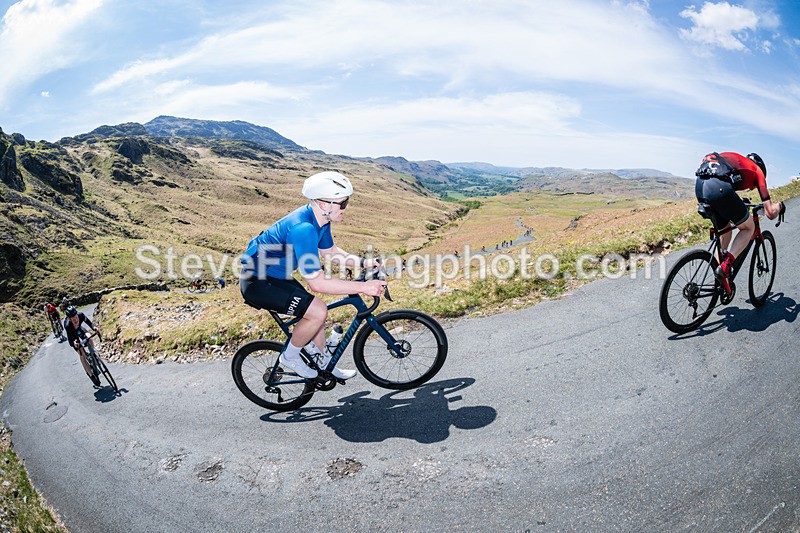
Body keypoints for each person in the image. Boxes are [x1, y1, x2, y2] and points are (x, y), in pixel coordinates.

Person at [240, 171, 385, 380]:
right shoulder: (304, 229)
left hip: (275, 276)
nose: (346, 208)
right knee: (317, 310)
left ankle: (323, 362)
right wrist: (363, 287)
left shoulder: (321, 219)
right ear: (325, 204)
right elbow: (316, 282)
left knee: (314, 311)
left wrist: (363, 262)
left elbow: (330, 252)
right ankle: (290, 357)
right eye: (343, 203)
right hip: (257, 283)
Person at [695, 152, 786, 293]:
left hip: (700, 186)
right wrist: (779, 206)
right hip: (718, 188)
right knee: (748, 228)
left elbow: (726, 186)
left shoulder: (738, 164)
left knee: (725, 231)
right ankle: (724, 268)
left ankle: (719, 280)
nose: (752, 188)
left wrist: (739, 202)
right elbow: (770, 213)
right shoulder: (757, 171)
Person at [63, 306, 101, 386]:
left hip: (79, 329)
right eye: (73, 319)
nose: (76, 320)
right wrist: (74, 343)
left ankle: (93, 354)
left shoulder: (81, 315)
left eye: (76, 317)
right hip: (73, 336)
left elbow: (90, 323)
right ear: (69, 319)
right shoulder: (67, 325)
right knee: (82, 354)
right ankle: (90, 374)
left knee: (89, 337)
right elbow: (71, 340)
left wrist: (95, 328)